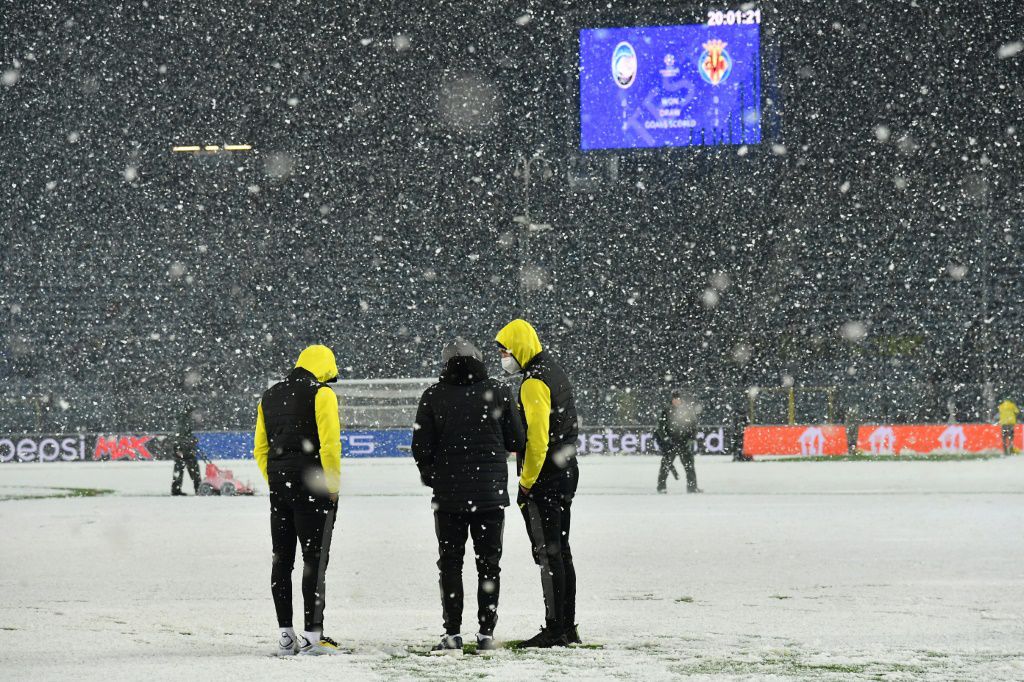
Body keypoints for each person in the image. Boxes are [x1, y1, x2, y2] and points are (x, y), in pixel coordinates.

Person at [412, 337, 526, 654]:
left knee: (450, 565)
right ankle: (486, 634)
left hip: (448, 497)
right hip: (490, 496)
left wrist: (434, 475)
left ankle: (452, 635)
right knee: (489, 565)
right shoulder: (499, 391)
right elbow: (517, 438)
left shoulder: (433, 395)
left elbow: (420, 448)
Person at [253, 345, 343, 656]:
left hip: (280, 486)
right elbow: (330, 445)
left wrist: (277, 478)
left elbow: (260, 449)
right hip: (312, 485)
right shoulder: (322, 394)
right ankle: (313, 636)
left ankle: (286, 636)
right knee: (314, 562)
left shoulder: (270, 396)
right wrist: (331, 485)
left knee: (282, 560)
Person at [495, 319, 580, 648]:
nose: (503, 356)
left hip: (545, 477)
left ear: (519, 348)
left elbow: (537, 439)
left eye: (505, 350)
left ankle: (554, 629)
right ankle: (567, 626)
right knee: (562, 553)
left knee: (549, 555)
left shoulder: (533, 382)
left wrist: (527, 482)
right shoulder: (554, 370)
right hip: (566, 470)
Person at [654, 390, 702, 494]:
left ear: (681, 400)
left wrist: (691, 438)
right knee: (665, 465)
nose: (676, 401)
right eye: (674, 399)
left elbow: (694, 426)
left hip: (684, 442)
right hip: (671, 443)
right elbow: (660, 427)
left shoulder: (688, 411)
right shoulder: (666, 411)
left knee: (689, 465)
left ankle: (692, 487)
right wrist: (666, 439)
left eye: (678, 399)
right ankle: (661, 487)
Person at [170, 407, 201, 496]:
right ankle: (198, 488)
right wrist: (191, 441)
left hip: (182, 449)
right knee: (194, 470)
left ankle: (176, 489)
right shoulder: (184, 422)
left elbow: (183, 435)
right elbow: (181, 437)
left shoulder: (183, 421)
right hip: (184, 450)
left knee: (179, 470)